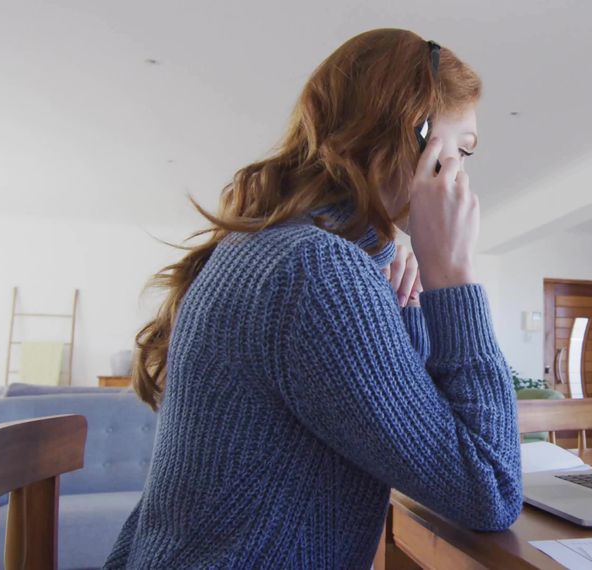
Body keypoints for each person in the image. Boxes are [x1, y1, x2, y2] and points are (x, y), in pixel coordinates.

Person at [105, 28, 522, 569]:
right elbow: (489, 488)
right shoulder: (318, 271)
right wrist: (456, 279)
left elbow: (416, 434)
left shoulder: (284, 247)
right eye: (460, 151)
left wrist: (415, 300)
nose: (462, 177)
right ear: (413, 135)